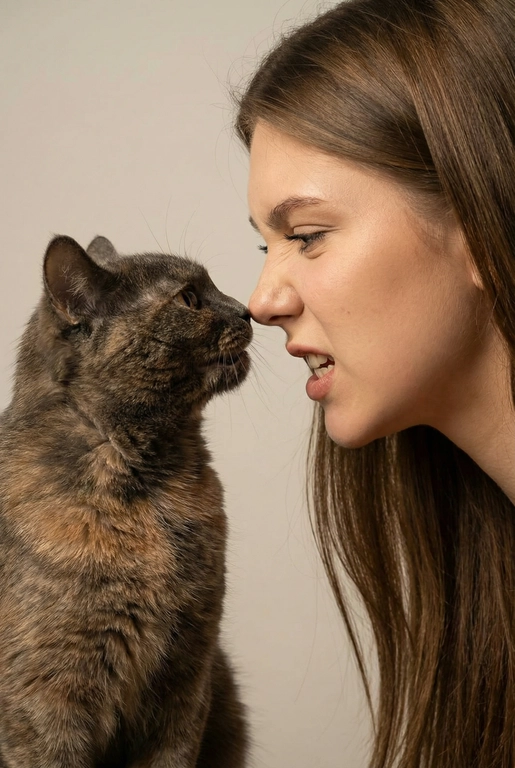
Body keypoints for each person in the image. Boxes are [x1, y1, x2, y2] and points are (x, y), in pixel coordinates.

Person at [234, 1, 515, 766]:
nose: (262, 300)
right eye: (264, 245)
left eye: (306, 236)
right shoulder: (479, 579)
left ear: (478, 221)